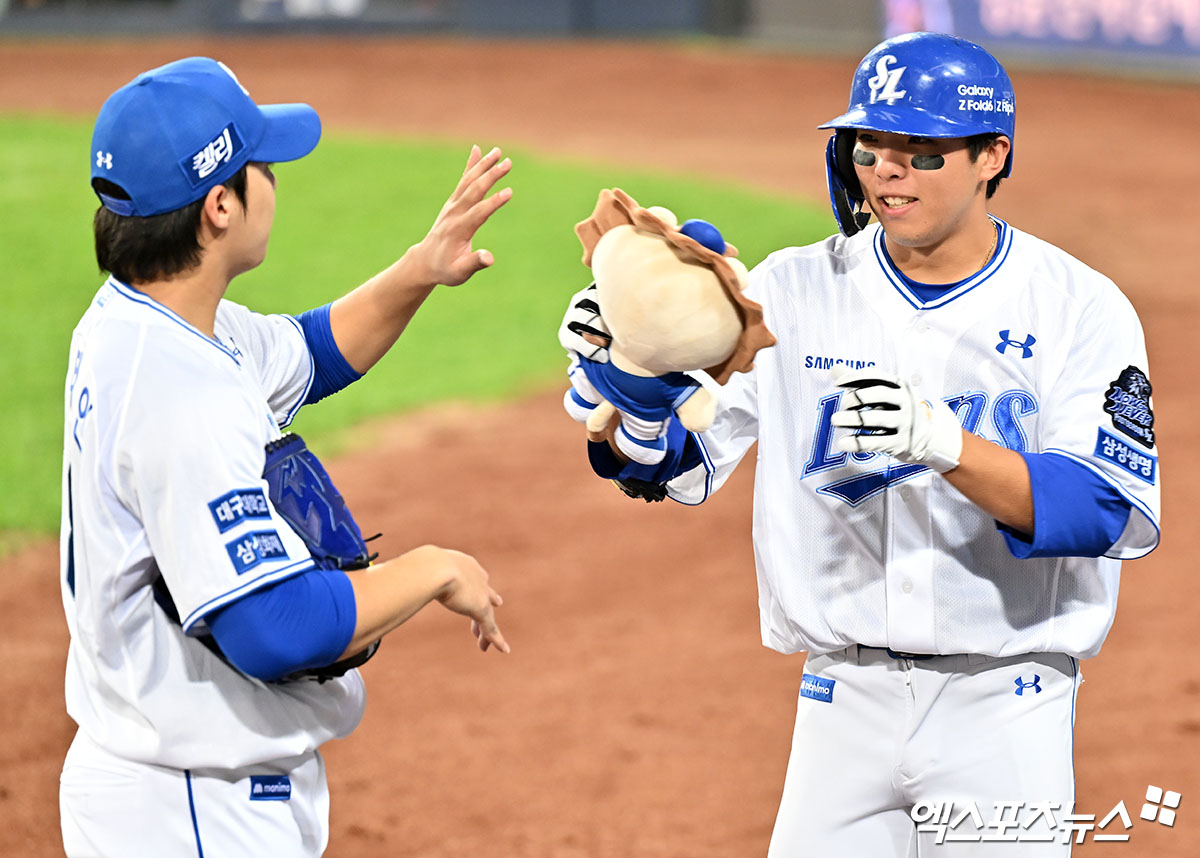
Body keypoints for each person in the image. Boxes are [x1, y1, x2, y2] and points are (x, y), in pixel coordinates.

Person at [561, 32, 1160, 855]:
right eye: (870, 146)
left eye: (919, 150)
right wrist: (633, 380)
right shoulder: (790, 288)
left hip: (1006, 709)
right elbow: (665, 468)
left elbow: (1101, 509)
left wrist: (944, 442)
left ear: (993, 156)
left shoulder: (1078, 306)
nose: (885, 169)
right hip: (840, 705)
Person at [60, 56, 511, 856]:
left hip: (177, 786)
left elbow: (309, 350)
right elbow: (270, 626)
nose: (276, 177)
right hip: (191, 807)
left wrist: (421, 269)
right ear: (220, 207)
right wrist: (433, 567)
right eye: (259, 162)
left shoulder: (145, 319)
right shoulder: (177, 389)